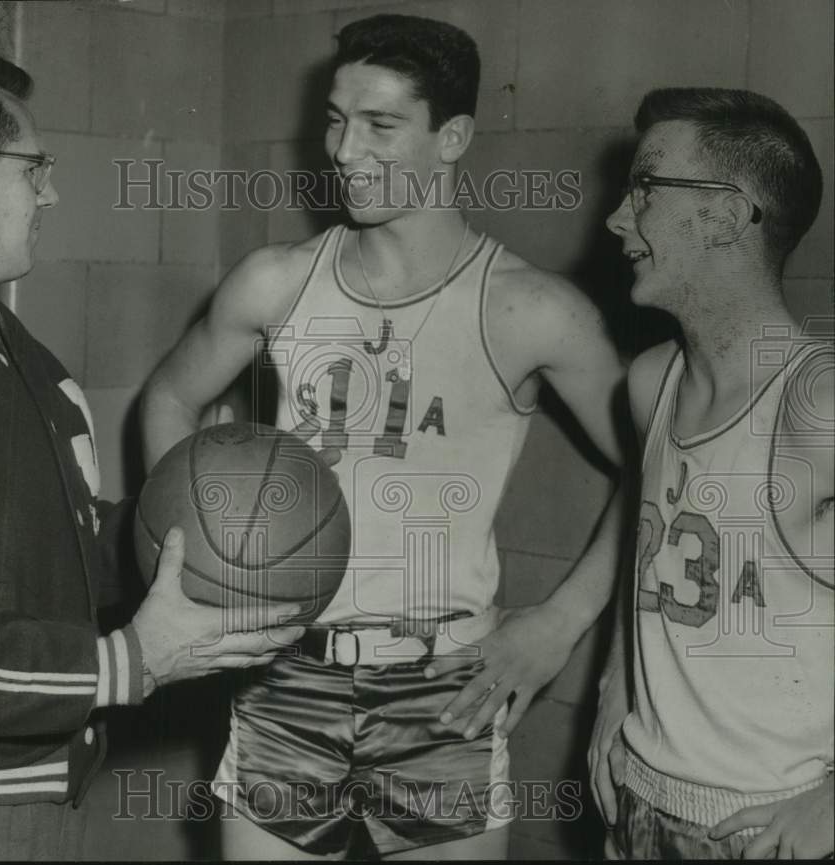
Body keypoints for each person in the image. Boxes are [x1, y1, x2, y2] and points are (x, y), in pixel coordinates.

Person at [141, 14, 627, 860]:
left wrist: (562, 619)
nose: (343, 149)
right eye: (334, 118)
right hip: (284, 672)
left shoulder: (530, 309)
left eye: (380, 125)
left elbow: (669, 469)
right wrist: (195, 559)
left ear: (453, 137)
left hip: (447, 689)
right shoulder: (276, 282)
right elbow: (168, 398)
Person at [0, 51, 303, 861]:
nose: (50, 190)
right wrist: (130, 660)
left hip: (41, 790)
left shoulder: (16, 352)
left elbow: (66, 547)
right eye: (34, 166)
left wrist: (198, 528)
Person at [589, 87, 834, 859]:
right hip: (642, 803)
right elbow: (648, 556)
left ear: (727, 215)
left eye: (645, 188)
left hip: (767, 827)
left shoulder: (816, 401)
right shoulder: (649, 381)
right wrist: (613, 693)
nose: (616, 218)